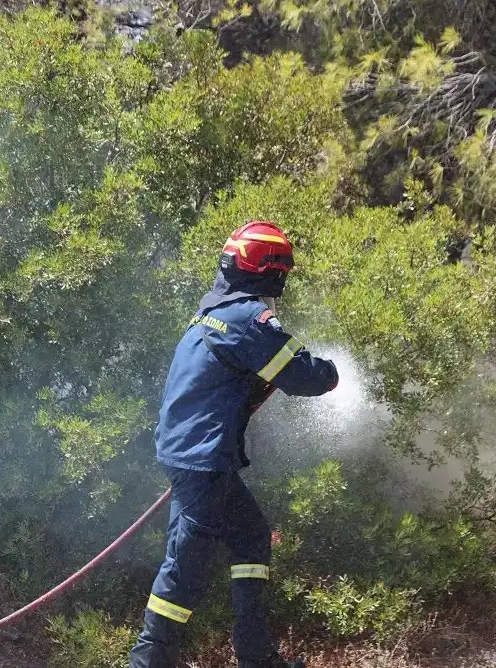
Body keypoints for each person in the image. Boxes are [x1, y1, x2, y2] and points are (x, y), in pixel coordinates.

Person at [128, 222, 339, 668]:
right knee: (186, 564)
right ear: (271, 271)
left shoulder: (212, 312)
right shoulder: (248, 318)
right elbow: (304, 376)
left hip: (196, 455)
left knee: (250, 537)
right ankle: (148, 662)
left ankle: (256, 655)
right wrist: (331, 373)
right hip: (202, 460)